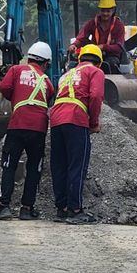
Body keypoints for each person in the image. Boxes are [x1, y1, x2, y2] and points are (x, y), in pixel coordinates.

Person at [0, 42, 55, 221]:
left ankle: (4, 207)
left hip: (17, 125)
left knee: (9, 165)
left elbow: (3, 88)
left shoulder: (17, 71)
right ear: (46, 63)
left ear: (29, 58)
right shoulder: (47, 81)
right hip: (39, 129)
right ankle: (26, 209)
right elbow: (48, 98)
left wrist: (16, 97)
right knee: (34, 168)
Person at [50, 44, 105, 225]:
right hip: (76, 118)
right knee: (77, 165)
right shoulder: (95, 72)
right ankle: (75, 210)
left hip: (56, 119)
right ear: (99, 62)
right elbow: (96, 96)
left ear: (80, 59)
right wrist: (94, 123)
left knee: (59, 165)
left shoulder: (67, 74)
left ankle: (62, 208)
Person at [68, 0, 125, 74]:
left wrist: (103, 47)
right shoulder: (92, 23)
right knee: (78, 64)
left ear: (113, 11)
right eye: (103, 10)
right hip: (93, 54)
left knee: (111, 64)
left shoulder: (119, 26)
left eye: (108, 11)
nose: (105, 13)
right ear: (99, 10)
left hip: (111, 56)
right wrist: (74, 45)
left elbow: (119, 47)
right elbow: (82, 38)